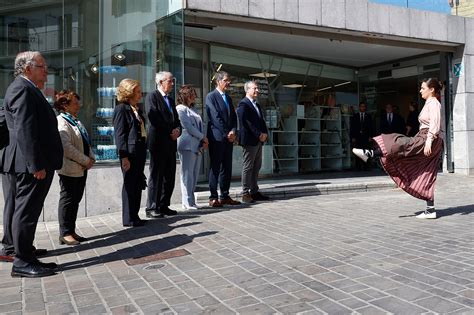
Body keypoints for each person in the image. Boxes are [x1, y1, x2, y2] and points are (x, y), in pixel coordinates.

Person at [3, 51, 63, 277]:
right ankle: (22, 261)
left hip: (37, 163)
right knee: (26, 211)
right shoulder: (21, 89)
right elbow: (25, 130)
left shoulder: (29, 89)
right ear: (28, 68)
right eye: (42, 67)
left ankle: (27, 253)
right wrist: (35, 164)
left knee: (29, 211)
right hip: (32, 165)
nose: (46, 71)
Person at [353, 78, 444, 219]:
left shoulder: (434, 103)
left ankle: (370, 153)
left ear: (431, 90)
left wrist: (428, 141)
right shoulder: (429, 103)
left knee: (400, 143)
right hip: (425, 137)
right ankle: (430, 209)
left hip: (429, 138)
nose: (420, 90)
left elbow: (435, 124)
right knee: (424, 172)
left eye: (423, 88)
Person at [55, 90, 95, 244]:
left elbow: (84, 140)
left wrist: (91, 158)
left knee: (75, 200)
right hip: (70, 168)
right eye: (75, 102)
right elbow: (66, 147)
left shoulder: (74, 120)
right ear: (65, 105)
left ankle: (71, 230)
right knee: (68, 199)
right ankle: (64, 233)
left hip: (80, 168)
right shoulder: (62, 121)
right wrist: (85, 160)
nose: (79, 105)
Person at [145, 71, 181, 217]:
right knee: (157, 176)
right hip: (159, 143)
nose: (172, 84)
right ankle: (152, 207)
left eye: (173, 81)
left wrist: (178, 130)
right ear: (161, 82)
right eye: (170, 81)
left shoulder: (171, 100)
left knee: (169, 176)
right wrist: (170, 131)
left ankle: (164, 204)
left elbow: (176, 119)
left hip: (171, 144)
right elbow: (154, 119)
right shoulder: (152, 97)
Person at [113, 79, 148, 227]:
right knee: (129, 184)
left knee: (137, 183)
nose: (140, 94)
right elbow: (120, 134)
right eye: (138, 91)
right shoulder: (121, 109)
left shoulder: (136, 108)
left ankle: (135, 215)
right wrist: (124, 157)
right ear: (129, 92)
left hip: (139, 152)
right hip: (130, 153)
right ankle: (128, 218)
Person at [206, 71, 241, 207]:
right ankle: (213, 197)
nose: (228, 83)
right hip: (217, 138)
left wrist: (233, 131)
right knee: (215, 167)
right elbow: (215, 117)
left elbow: (233, 117)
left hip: (228, 138)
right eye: (226, 80)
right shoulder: (211, 96)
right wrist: (228, 132)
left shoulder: (228, 98)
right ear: (218, 81)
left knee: (227, 167)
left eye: (229, 80)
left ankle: (225, 196)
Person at [236, 81, 269, 203]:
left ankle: (254, 191)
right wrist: (258, 134)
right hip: (250, 140)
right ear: (247, 90)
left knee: (256, 167)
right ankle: (245, 193)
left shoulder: (257, 105)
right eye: (254, 88)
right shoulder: (243, 104)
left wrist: (265, 133)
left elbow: (261, 121)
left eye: (257, 88)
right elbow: (246, 123)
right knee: (248, 166)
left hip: (259, 141)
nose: (257, 90)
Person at [176, 85, 208, 210]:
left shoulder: (193, 109)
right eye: (192, 94)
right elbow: (188, 127)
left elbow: (201, 125)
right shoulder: (180, 109)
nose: (195, 96)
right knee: (187, 174)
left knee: (194, 174)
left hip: (197, 144)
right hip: (187, 145)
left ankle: (192, 200)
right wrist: (203, 137)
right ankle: (186, 201)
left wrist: (202, 140)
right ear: (185, 95)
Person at [350, 102, 374, 170]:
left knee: (366, 151)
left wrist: (370, 136)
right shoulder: (355, 116)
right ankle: (358, 166)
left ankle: (366, 166)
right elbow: (352, 127)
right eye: (361, 106)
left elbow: (371, 127)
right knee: (357, 151)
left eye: (364, 106)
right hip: (357, 137)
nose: (363, 108)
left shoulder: (368, 116)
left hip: (366, 137)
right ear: (359, 107)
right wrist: (353, 137)